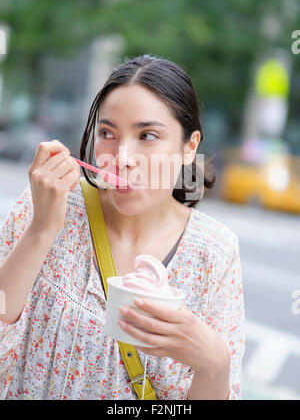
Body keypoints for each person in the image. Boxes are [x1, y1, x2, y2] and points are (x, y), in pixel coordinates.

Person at [0, 54, 245, 400]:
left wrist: (214, 363)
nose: (122, 156)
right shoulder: (50, 202)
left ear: (189, 147)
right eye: (107, 133)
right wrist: (41, 230)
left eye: (147, 135)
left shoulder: (215, 252)